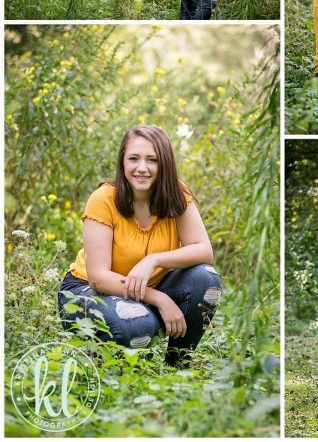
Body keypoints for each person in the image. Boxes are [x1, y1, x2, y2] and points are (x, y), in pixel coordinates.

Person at [58, 125, 222, 367]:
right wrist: (159, 300)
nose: (142, 168)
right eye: (133, 158)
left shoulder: (175, 193)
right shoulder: (102, 199)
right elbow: (98, 278)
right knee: (136, 324)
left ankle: (178, 366)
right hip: (89, 291)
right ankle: (113, 353)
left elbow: (203, 250)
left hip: (144, 288)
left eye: (152, 160)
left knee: (205, 279)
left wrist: (153, 260)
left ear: (164, 163)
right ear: (123, 162)